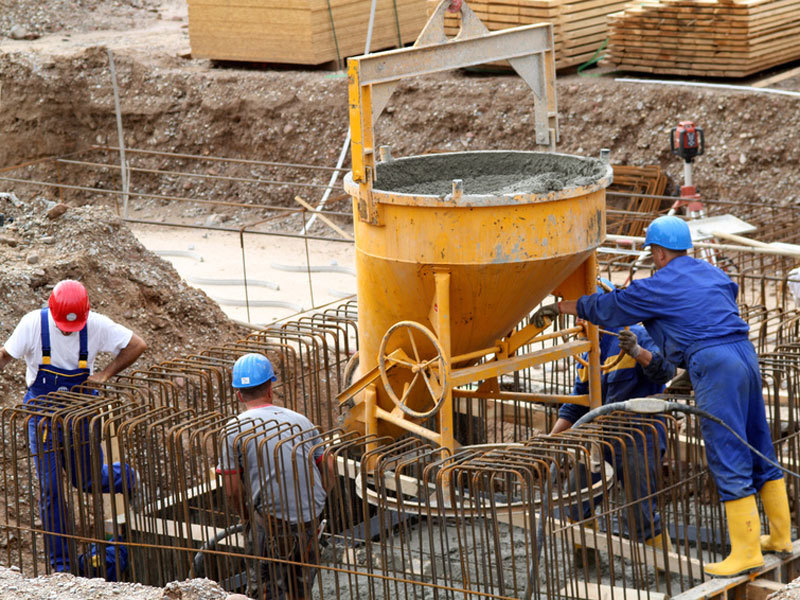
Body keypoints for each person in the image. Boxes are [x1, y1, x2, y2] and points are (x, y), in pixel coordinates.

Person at [534, 215, 793, 577]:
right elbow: (726, 297)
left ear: (657, 253)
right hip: (743, 354)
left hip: (713, 363)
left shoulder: (659, 286)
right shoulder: (711, 273)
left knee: (727, 451)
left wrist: (562, 307)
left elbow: (610, 307)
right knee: (757, 441)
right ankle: (780, 536)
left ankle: (747, 551)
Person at [0, 279, 146, 576]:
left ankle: (127, 477)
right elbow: (4, 356)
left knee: (86, 480)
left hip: (80, 415)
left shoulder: (96, 325)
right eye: (64, 326)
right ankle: (63, 566)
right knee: (51, 489)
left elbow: (137, 345)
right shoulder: (33, 324)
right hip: (43, 417)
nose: (68, 331)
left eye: (74, 326)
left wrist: (105, 374)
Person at [551, 281, 675, 549]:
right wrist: (551, 441)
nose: (579, 321)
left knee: (640, 515)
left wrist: (637, 352)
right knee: (575, 503)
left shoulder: (636, 335)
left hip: (638, 438)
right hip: (600, 438)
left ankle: (665, 569)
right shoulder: (587, 351)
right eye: (577, 315)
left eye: (583, 313)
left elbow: (666, 370)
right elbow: (578, 402)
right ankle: (586, 563)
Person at [218, 353, 328, 600]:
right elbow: (328, 467)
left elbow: (232, 490)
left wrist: (248, 518)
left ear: (239, 395)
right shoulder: (300, 421)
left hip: (269, 525)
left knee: (266, 591)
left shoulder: (234, 429)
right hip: (309, 521)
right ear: (270, 388)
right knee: (300, 591)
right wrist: (316, 504)